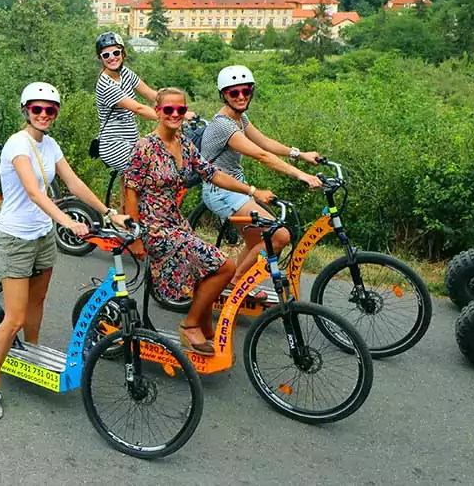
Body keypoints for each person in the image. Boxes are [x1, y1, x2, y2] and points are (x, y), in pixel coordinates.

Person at [0, 82, 128, 420]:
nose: (44, 114)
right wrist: (67, 222)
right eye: (37, 109)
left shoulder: (51, 145)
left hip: (42, 236)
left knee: (37, 302)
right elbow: (35, 192)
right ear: (26, 110)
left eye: (50, 109)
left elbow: (73, 183)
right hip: (16, 238)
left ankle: (30, 354)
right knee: (14, 317)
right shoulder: (18, 145)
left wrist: (108, 212)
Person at [123, 88, 274, 354]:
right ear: (157, 112)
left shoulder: (183, 143)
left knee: (206, 269)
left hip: (175, 221)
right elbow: (130, 191)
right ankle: (190, 325)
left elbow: (212, 173)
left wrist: (251, 191)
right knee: (226, 267)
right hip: (154, 227)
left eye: (180, 110)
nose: (175, 114)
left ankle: (204, 328)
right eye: (168, 110)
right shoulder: (145, 147)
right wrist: (135, 236)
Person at [199, 65, 323, 296]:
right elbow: (261, 155)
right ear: (223, 94)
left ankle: (231, 280)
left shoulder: (239, 118)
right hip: (221, 191)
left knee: (256, 240)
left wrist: (300, 154)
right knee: (279, 235)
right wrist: (302, 175)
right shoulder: (223, 125)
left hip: (235, 188)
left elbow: (265, 143)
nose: (241, 96)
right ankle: (237, 282)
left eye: (245, 91)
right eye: (233, 92)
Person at [94, 31, 190, 175]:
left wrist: (177, 108)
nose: (112, 58)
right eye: (106, 55)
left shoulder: (124, 72)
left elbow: (152, 94)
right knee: (155, 173)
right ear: (100, 58)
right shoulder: (105, 84)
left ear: (123, 53)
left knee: (132, 183)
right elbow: (138, 108)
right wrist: (173, 117)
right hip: (114, 145)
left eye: (116, 52)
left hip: (132, 142)